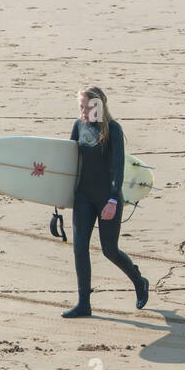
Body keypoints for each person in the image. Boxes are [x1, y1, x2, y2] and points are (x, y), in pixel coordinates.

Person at [61, 86, 149, 318]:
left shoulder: (114, 130)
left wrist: (111, 200)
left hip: (107, 198)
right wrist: (60, 194)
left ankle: (139, 281)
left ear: (97, 106)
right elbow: (70, 164)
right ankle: (84, 304)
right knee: (80, 248)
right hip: (83, 197)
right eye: (80, 106)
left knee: (109, 250)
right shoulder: (78, 126)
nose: (81, 111)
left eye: (85, 106)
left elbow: (118, 169)